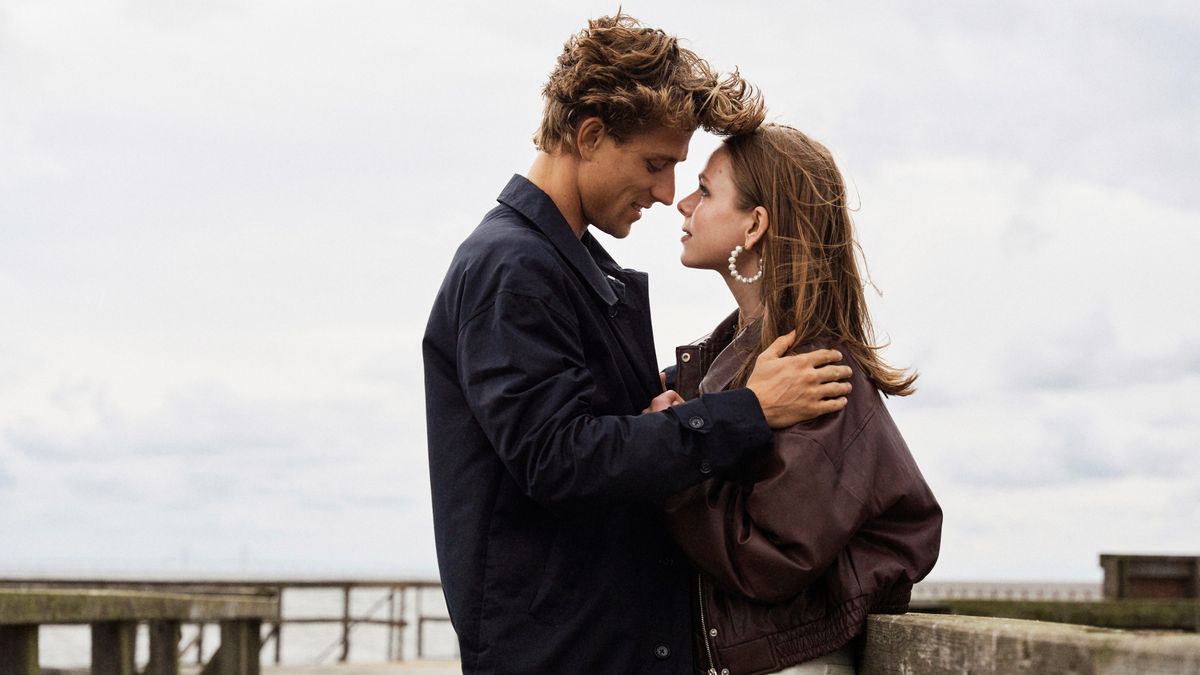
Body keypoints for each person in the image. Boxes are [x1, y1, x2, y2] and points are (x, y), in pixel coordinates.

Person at [422, 14, 855, 675]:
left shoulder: (568, 267)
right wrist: (749, 411)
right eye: (656, 165)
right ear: (590, 134)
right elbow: (558, 456)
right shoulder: (511, 268)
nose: (664, 194)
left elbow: (601, 426)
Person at [658, 124, 943, 675]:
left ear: (755, 224)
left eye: (706, 191)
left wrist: (670, 466)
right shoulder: (723, 362)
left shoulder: (814, 372)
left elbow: (771, 558)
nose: (682, 203)